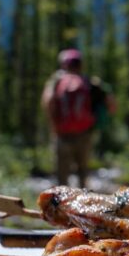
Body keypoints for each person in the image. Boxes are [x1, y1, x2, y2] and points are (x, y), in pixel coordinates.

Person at [41, 49, 96, 188]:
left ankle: (62, 201)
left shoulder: (57, 80)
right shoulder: (88, 81)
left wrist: (54, 126)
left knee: (62, 179)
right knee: (83, 173)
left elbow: (48, 101)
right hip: (84, 134)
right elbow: (111, 104)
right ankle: (86, 200)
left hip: (62, 135)